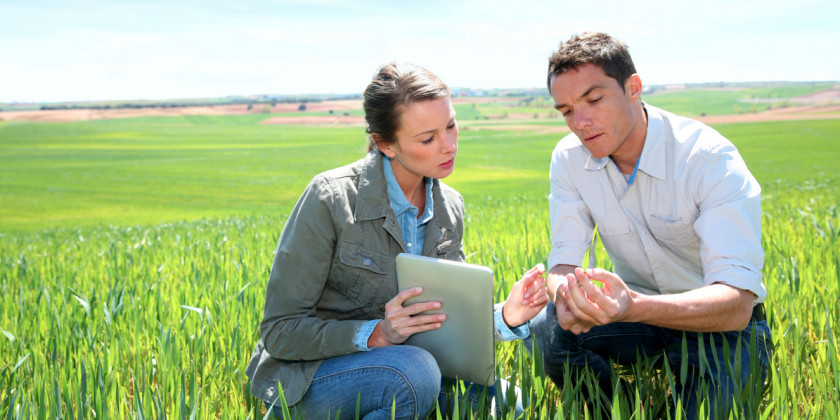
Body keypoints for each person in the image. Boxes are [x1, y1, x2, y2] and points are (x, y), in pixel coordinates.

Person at [245, 62, 549, 420]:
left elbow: (445, 321)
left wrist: (505, 317)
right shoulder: (330, 198)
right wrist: (376, 334)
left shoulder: (450, 206)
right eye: (428, 138)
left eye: (451, 126)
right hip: (315, 378)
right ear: (385, 143)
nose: (449, 146)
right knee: (413, 373)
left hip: (408, 370)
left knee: (506, 402)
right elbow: (280, 332)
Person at [529, 33, 772, 419]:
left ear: (633, 88)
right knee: (545, 328)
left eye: (593, 100)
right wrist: (568, 297)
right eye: (566, 110)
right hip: (635, 319)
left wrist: (634, 306)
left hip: (719, 328)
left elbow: (737, 304)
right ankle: (620, 410)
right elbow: (563, 262)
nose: (581, 122)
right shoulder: (569, 159)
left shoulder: (707, 158)